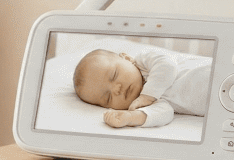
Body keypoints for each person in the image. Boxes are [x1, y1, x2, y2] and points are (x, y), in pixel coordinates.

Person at [72, 48, 210, 128]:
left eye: (114, 75)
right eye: (108, 97)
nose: (116, 90)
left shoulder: (145, 61)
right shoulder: (139, 104)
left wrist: (147, 96)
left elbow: (168, 66)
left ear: (126, 58)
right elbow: (165, 113)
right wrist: (131, 117)